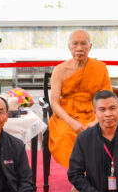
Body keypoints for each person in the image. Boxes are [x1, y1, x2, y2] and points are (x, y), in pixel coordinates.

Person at [47, 29, 112, 168]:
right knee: (65, 135)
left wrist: (96, 121)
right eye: (75, 43)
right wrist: (72, 123)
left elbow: (107, 99)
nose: (79, 48)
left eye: (83, 43)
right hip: (66, 115)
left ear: (90, 46)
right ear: (69, 46)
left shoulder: (100, 68)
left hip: (93, 113)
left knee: (98, 134)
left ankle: (92, 174)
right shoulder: (59, 70)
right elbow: (54, 103)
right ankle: (76, 174)